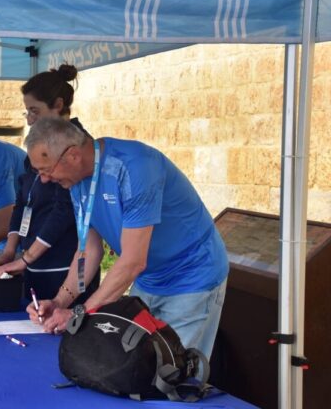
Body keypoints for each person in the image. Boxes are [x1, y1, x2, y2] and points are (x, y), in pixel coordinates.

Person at [25, 117, 228, 359]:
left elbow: (133, 261)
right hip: (148, 279)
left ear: (73, 155)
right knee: (138, 363)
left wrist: (79, 313)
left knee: (173, 371)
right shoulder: (75, 181)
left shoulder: (134, 167)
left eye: (46, 170)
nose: (45, 180)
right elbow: (88, 251)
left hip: (192, 277)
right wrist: (60, 302)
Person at [0, 65, 99, 302]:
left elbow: (64, 211)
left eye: (34, 111)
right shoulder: (38, 145)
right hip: (35, 260)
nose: (29, 120)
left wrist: (26, 258)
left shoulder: (74, 147)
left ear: (58, 105)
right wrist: (11, 250)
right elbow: (22, 201)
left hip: (63, 263)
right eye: (27, 112)